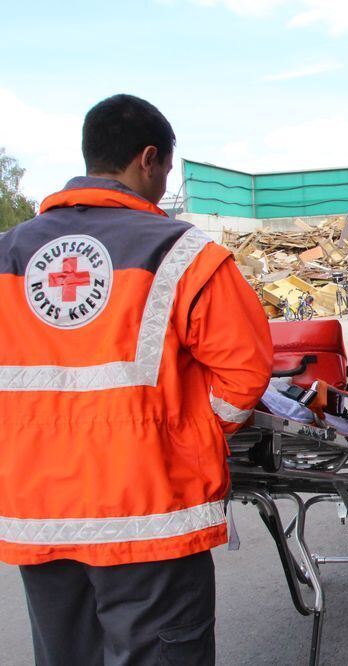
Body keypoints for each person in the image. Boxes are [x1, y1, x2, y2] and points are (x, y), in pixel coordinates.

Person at [0, 94, 272, 664]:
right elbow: (244, 370)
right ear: (148, 159)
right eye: (166, 170)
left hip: (41, 515)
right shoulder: (181, 252)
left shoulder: (9, 254)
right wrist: (196, 436)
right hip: (149, 511)